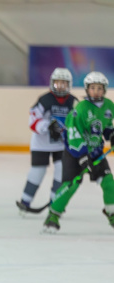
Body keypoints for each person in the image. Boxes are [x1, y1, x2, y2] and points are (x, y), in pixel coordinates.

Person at [43, 71, 114, 233]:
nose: (96, 91)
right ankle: (53, 215)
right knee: (71, 185)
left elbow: (107, 125)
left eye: (99, 88)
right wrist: (82, 157)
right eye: (93, 88)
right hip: (74, 153)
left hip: (96, 153)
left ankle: (112, 213)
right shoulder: (80, 109)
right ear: (87, 89)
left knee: (109, 182)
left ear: (104, 90)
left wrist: (112, 135)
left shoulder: (109, 106)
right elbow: (73, 134)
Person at [17, 68, 77, 214]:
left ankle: (55, 203)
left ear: (69, 84)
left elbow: (78, 121)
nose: (60, 86)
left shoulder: (73, 102)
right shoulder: (45, 100)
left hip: (61, 145)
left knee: (61, 170)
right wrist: (47, 126)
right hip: (41, 144)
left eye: (64, 83)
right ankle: (25, 201)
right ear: (52, 83)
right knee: (38, 171)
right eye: (57, 83)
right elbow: (33, 120)